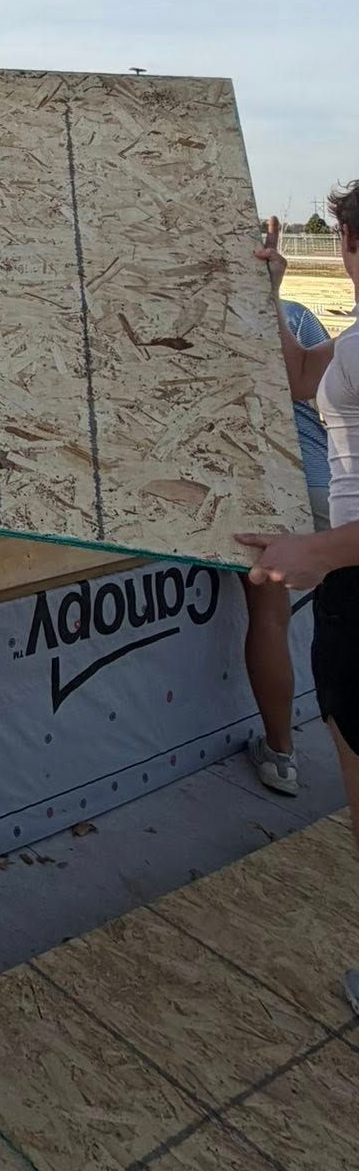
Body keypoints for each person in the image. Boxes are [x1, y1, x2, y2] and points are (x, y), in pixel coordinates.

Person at [238, 192, 359, 1020]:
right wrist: (273, 289)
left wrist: (311, 552)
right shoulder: (349, 338)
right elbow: (299, 379)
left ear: (348, 240)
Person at [243, 298, 333, 793]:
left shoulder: (190, 316)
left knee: (270, 617)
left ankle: (281, 756)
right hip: (325, 486)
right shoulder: (294, 314)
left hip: (263, 493)